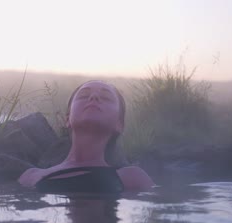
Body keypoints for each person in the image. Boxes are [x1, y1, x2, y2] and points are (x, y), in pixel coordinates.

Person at [18, 80, 154, 192]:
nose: (93, 98)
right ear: (67, 119)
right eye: (83, 96)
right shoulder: (31, 176)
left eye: (106, 97)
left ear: (119, 124)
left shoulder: (132, 178)